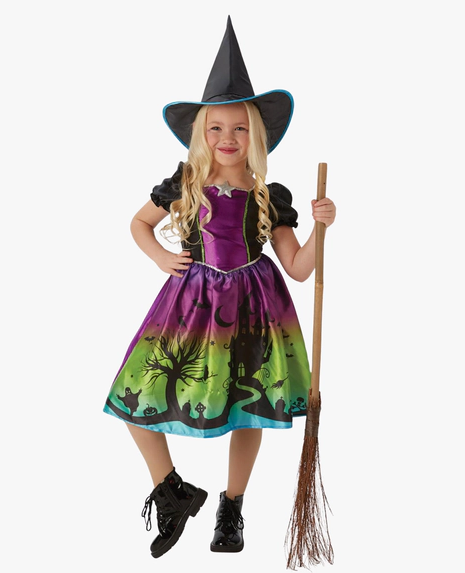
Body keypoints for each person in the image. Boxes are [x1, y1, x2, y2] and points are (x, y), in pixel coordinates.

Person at [103, 16, 336, 559]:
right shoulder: (184, 184)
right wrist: (162, 257)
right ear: (200, 133)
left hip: (254, 309)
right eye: (216, 128)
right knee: (132, 396)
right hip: (189, 305)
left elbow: (299, 267)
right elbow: (138, 224)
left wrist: (321, 228)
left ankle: (232, 507)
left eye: (239, 129)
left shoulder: (269, 196)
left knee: (248, 407)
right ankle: (172, 490)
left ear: (256, 135)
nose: (227, 139)